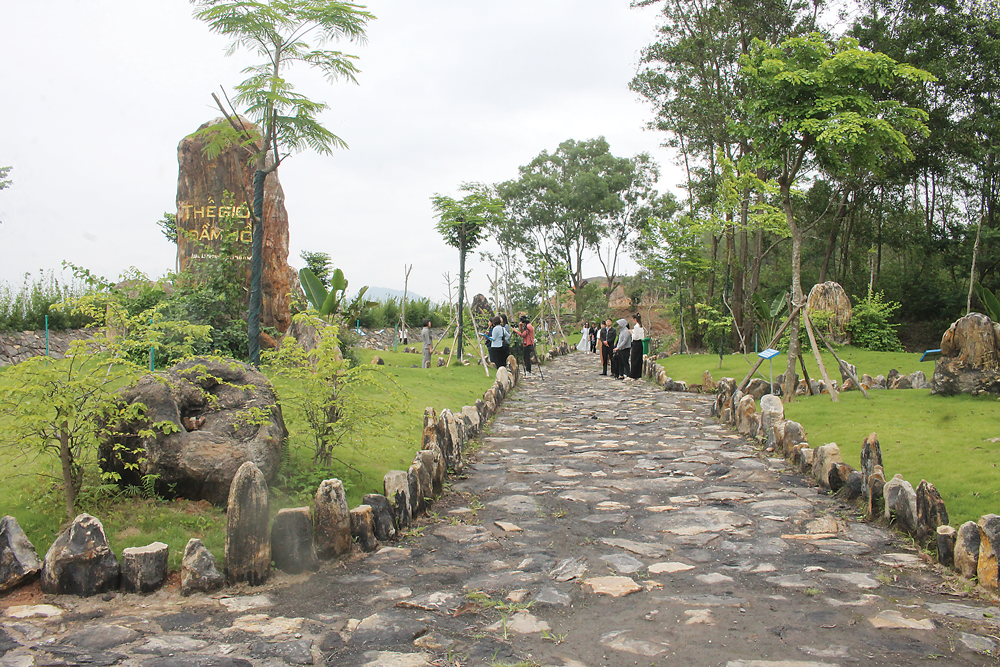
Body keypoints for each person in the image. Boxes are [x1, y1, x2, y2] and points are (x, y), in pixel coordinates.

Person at [629, 313, 645, 379]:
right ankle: (638, 373)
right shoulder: (640, 326)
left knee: (634, 358)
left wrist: (631, 333)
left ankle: (634, 374)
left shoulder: (636, 326)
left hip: (636, 342)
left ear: (635, 319)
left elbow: (635, 336)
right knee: (638, 358)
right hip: (640, 343)